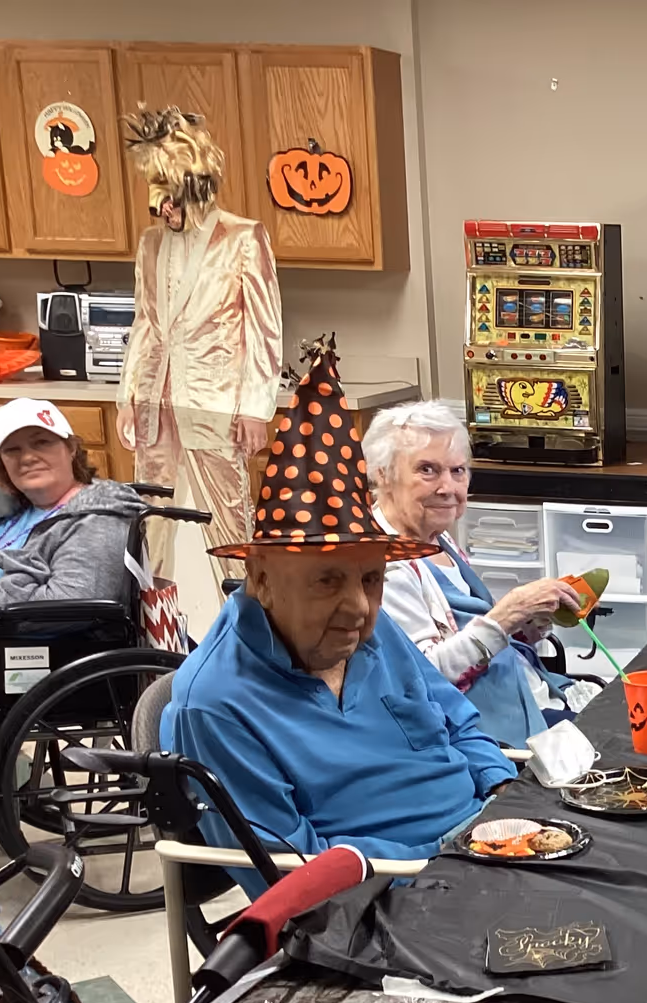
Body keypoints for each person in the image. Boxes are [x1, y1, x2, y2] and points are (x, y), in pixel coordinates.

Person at [161, 341, 516, 897]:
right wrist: (443, 862)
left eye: (372, 579)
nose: (357, 608)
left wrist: (502, 798)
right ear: (260, 577)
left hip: (487, 852)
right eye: (326, 580)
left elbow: (462, 724)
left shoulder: (374, 637)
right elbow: (288, 877)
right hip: (384, 902)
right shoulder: (214, 703)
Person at [117, 106, 282, 588]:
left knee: (226, 518)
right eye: (155, 201)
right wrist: (130, 397)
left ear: (195, 187)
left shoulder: (243, 238)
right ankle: (160, 625)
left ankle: (239, 621)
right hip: (157, 404)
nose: (160, 211)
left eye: (168, 199)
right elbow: (145, 322)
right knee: (154, 518)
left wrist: (255, 408)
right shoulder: (150, 244)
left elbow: (264, 329)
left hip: (215, 402)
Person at [365, 400, 582, 748]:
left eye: (458, 471)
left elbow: (478, 636)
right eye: (427, 470)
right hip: (480, 737)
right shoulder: (383, 565)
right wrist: (507, 613)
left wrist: (527, 624)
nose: (448, 487)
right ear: (383, 474)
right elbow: (426, 678)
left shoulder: (440, 539)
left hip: (530, 694)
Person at [0, 398, 147, 640]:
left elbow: (66, 606)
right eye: (12, 449)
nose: (28, 457)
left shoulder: (98, 518)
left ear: (71, 448)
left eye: (41, 443)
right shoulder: (13, 509)